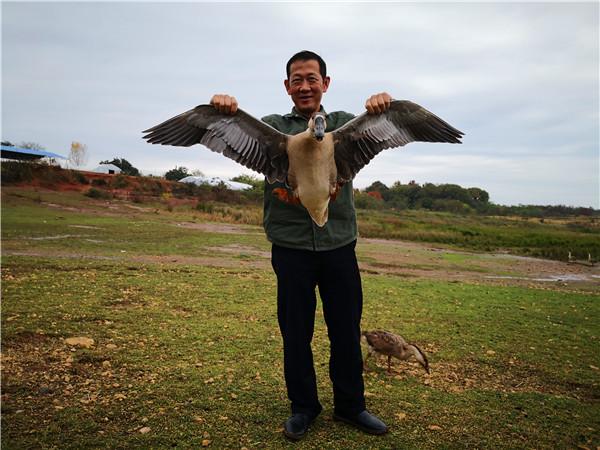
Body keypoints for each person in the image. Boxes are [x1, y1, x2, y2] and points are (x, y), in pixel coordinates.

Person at [210, 50, 392, 441]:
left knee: (345, 329)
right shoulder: (272, 128)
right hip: (290, 246)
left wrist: (382, 106)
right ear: (287, 86)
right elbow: (222, 122)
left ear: (326, 84)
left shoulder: (343, 125)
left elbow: (388, 118)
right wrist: (223, 109)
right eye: (297, 79)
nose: (305, 85)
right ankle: (303, 407)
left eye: (312, 78)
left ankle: (351, 406)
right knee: (295, 332)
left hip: (339, 244)